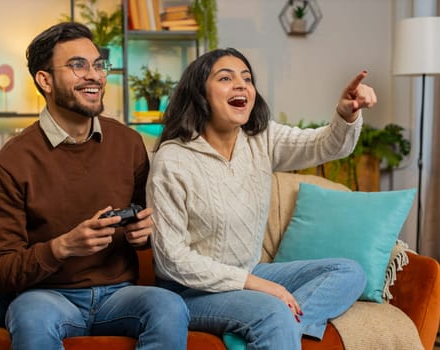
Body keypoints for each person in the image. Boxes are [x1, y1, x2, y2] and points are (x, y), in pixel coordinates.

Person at [147, 48, 377, 350]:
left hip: (250, 272)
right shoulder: (173, 160)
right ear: (199, 93)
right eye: (226, 78)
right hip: (190, 291)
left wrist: (346, 114)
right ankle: (268, 323)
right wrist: (254, 284)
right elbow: (170, 260)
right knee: (272, 309)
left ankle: (266, 329)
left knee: (349, 272)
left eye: (247, 78)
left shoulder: (261, 137)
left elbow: (325, 145)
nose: (241, 84)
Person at [0, 22, 189, 350]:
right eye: (78, 65)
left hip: (120, 294)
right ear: (44, 80)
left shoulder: (129, 143)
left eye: (98, 65)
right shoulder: (13, 160)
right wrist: (61, 247)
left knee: (169, 306)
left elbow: (149, 226)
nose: (94, 75)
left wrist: (143, 235)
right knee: (29, 317)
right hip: (47, 296)